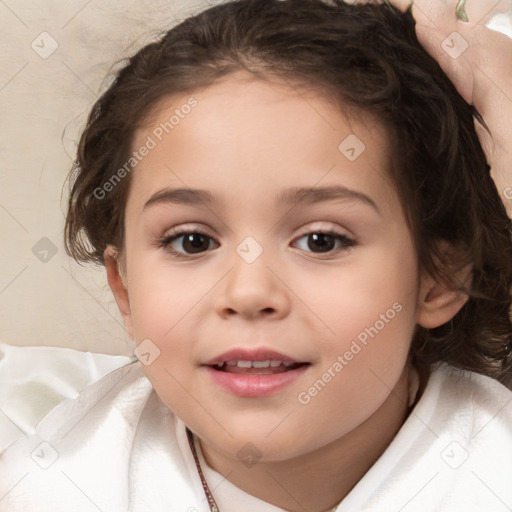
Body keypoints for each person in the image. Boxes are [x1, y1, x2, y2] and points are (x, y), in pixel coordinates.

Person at [1, 0, 511, 510]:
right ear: (125, 286)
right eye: (191, 241)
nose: (248, 294)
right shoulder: (52, 488)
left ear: (440, 277)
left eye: (321, 240)